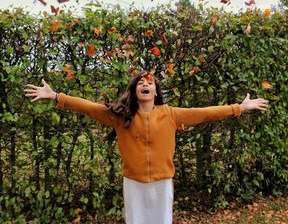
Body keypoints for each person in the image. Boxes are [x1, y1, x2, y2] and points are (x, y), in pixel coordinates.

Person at [24, 71, 269, 224]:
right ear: (134, 90)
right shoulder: (120, 116)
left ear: (155, 91)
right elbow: (88, 107)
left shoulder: (171, 114)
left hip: (163, 182)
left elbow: (205, 113)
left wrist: (240, 107)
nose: (145, 85)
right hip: (134, 183)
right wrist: (57, 96)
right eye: (140, 82)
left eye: (149, 83)